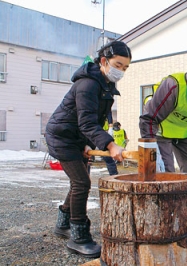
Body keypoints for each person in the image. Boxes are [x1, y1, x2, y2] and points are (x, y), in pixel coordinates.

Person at [45, 41, 132, 258]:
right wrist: (110, 144)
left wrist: (88, 143)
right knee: (82, 182)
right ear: (104, 61)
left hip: (76, 137)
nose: (120, 71)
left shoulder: (105, 85)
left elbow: (94, 121)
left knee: (80, 180)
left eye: (125, 68)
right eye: (118, 65)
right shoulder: (88, 84)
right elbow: (87, 123)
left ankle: (63, 224)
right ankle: (78, 237)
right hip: (61, 136)